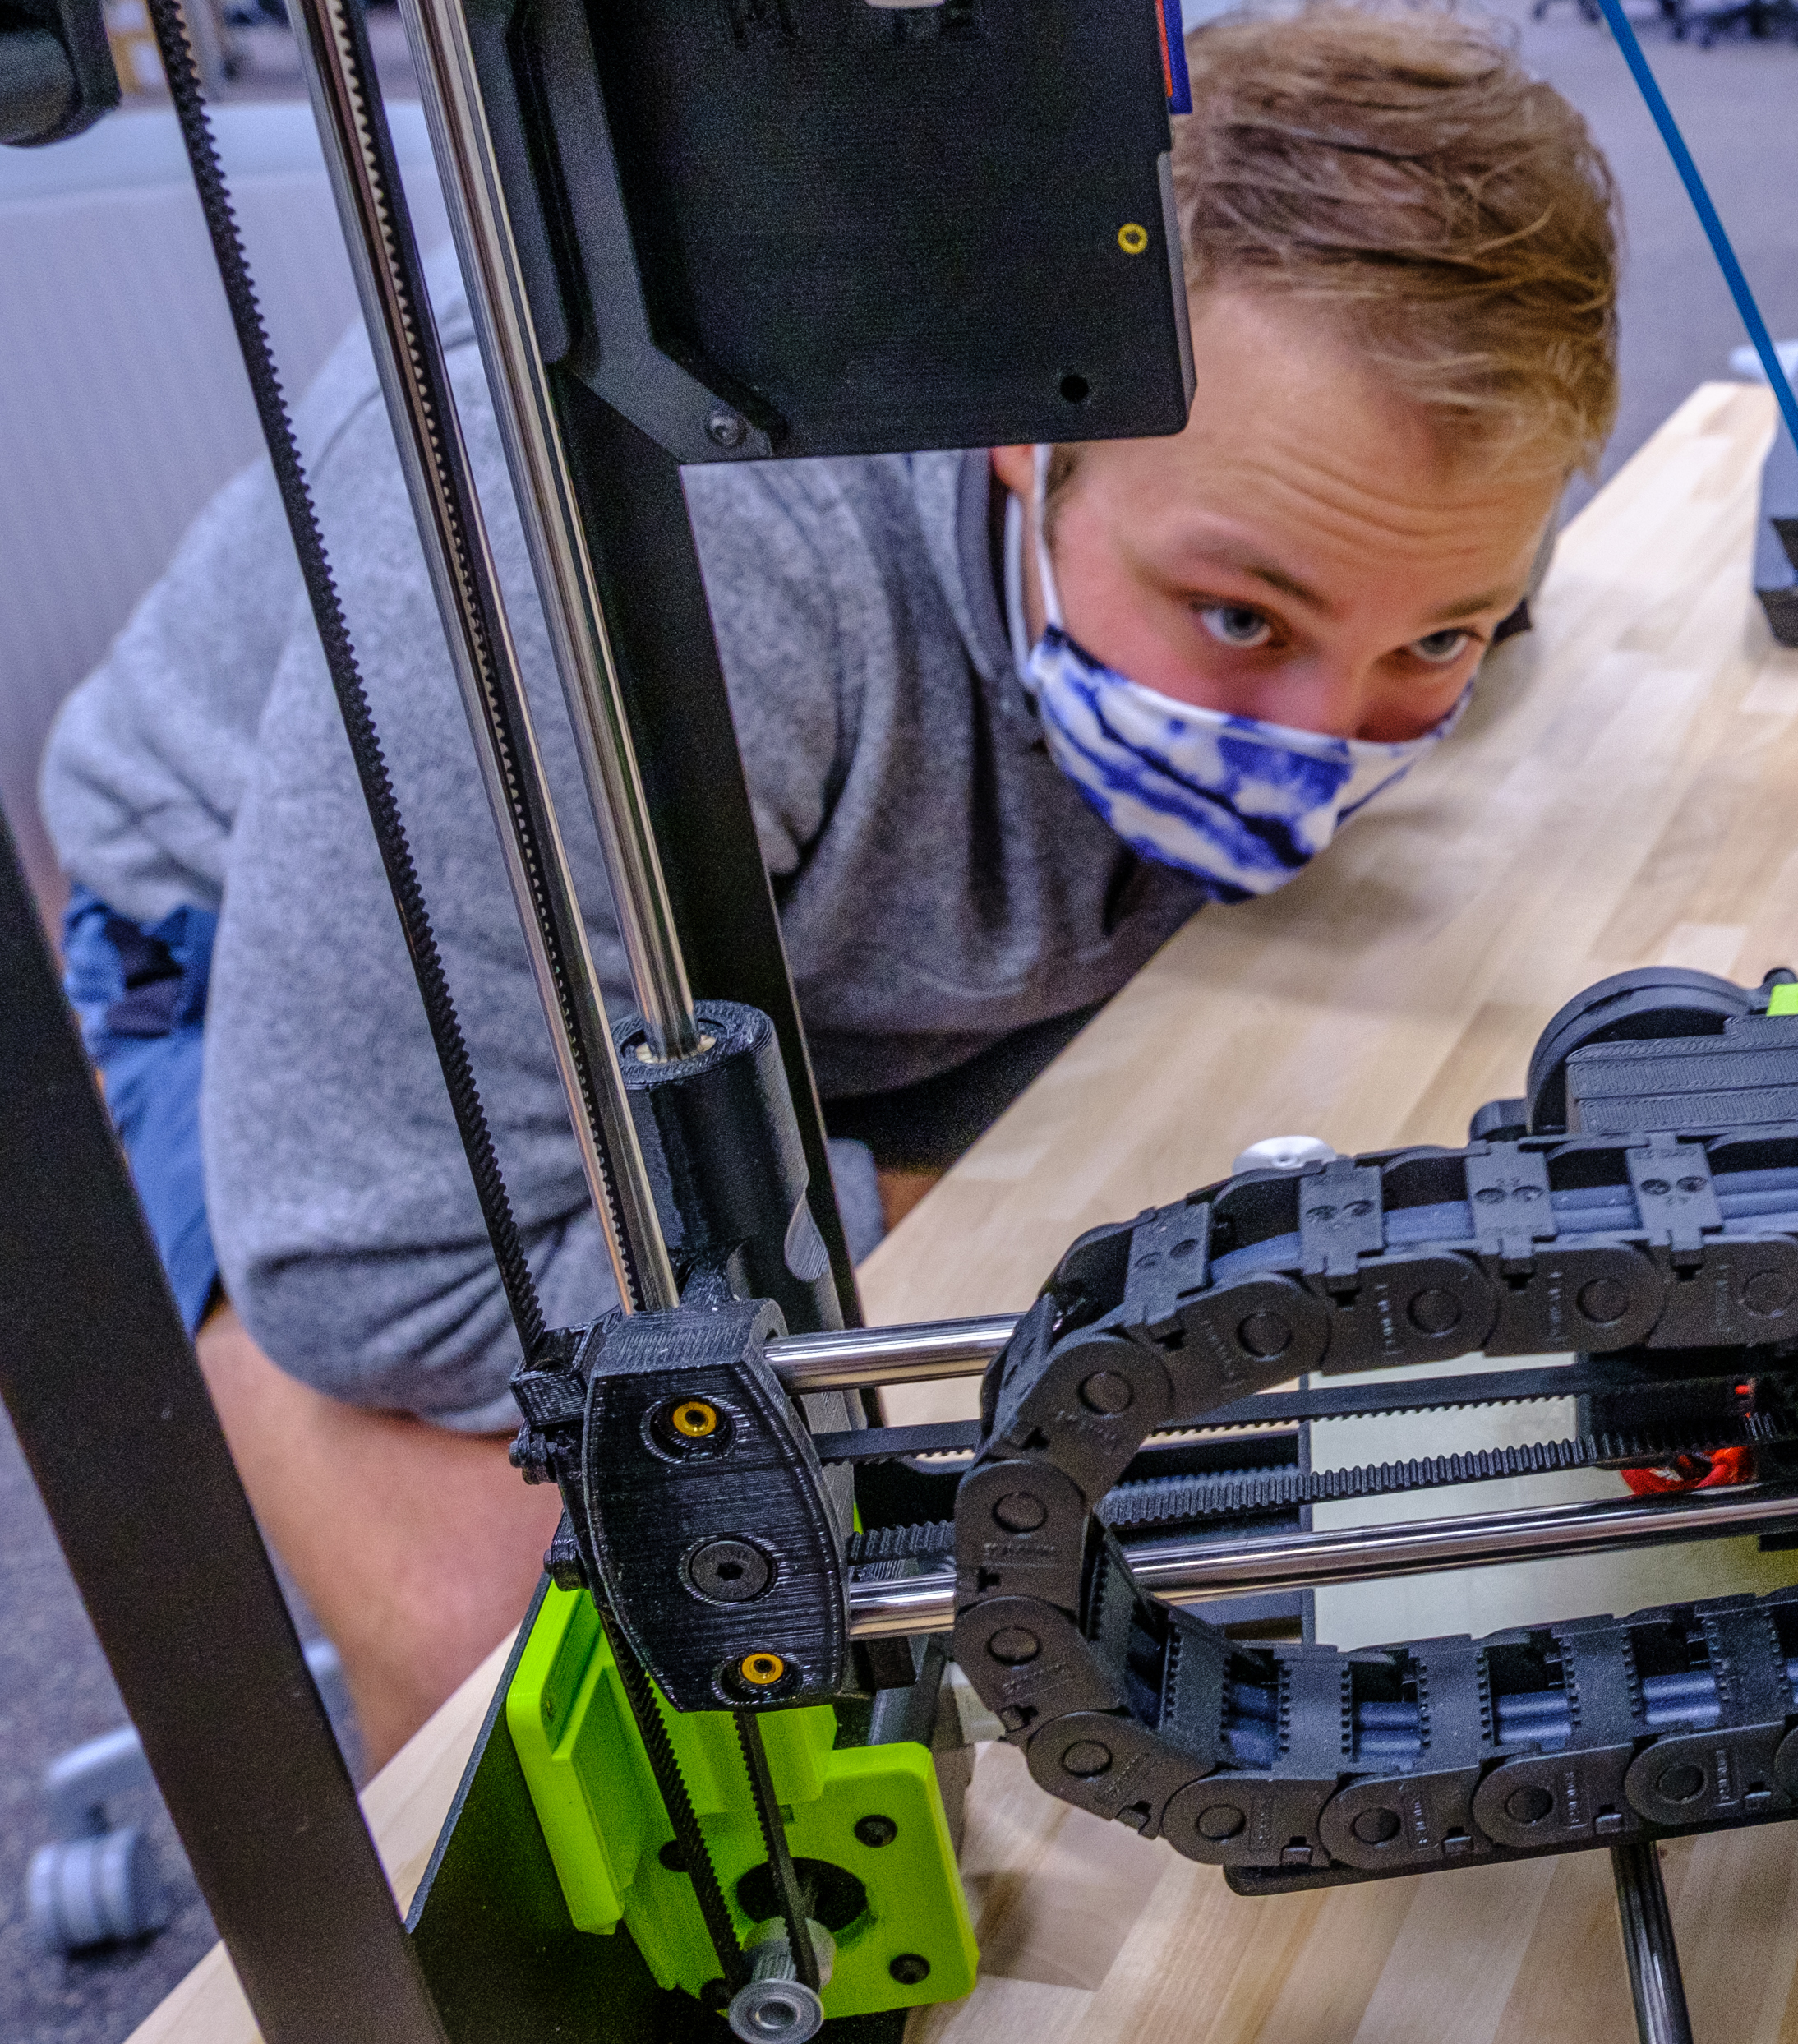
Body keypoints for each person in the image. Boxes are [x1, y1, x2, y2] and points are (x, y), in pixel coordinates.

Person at [44, 3, 1619, 1765]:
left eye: (1437, 635)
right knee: (625, 1660)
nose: (1318, 748)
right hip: (307, 1013)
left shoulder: (1337, 538)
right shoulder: (685, 559)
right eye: (1240, 617)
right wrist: (1007, 1233)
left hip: (816, 956)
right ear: (1037, 427)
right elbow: (379, 1267)